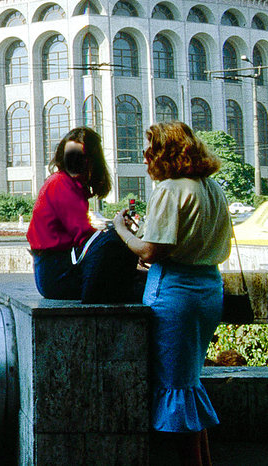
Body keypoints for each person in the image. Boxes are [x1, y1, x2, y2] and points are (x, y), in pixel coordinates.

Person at [112, 121, 232, 466]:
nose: (145, 156)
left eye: (149, 149)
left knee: (175, 387)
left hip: (175, 293)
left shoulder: (169, 189)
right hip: (209, 288)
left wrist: (121, 230)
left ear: (164, 152)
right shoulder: (212, 188)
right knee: (189, 382)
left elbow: (151, 252)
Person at [28, 126, 141, 302]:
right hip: (57, 274)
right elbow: (83, 235)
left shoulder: (68, 184)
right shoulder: (60, 184)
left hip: (55, 271)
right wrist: (121, 232)